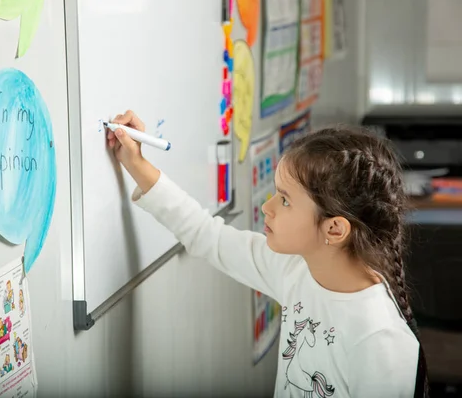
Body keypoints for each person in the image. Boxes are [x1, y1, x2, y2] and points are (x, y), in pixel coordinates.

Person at [106, 110, 428, 397]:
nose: (267, 207)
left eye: (285, 200)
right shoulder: (295, 269)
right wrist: (135, 162)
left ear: (334, 230)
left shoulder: (381, 341)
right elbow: (207, 235)